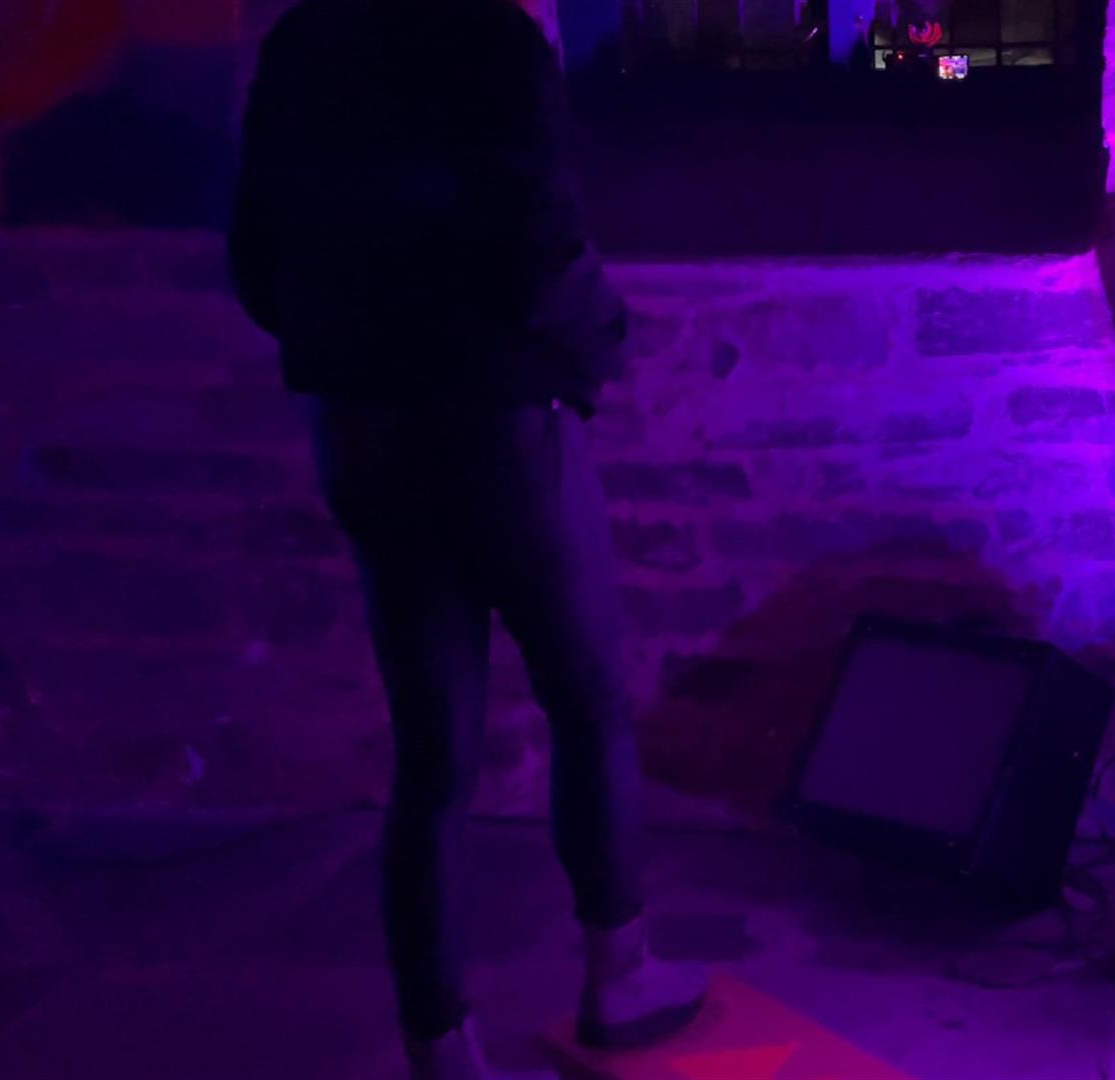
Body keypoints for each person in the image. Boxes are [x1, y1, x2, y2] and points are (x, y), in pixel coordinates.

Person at [228, 0, 707, 1075]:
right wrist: (602, 341)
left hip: (358, 428)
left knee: (431, 755)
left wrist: (355, 348)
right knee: (590, 704)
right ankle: (621, 978)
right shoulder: (489, 40)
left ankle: (440, 1046)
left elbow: (255, 260)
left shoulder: (302, 42)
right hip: (497, 422)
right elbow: (539, 243)